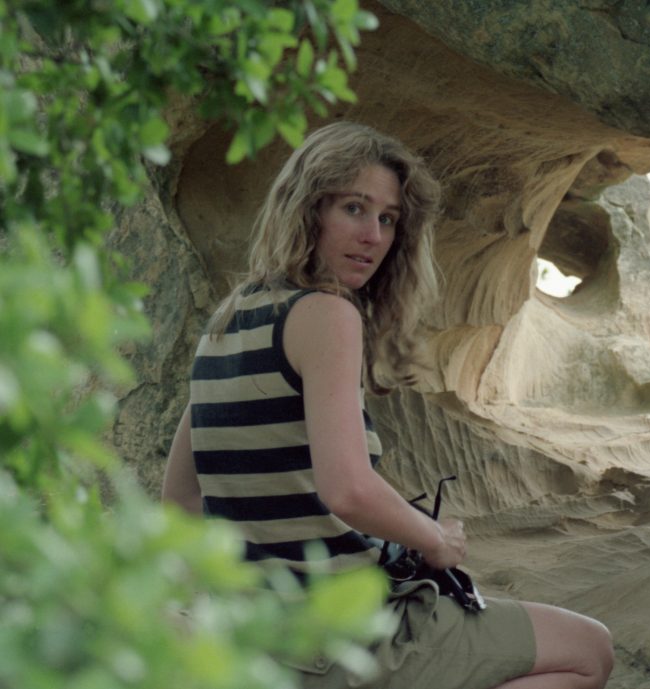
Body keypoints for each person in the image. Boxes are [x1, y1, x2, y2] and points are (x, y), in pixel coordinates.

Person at [161, 121, 613, 689]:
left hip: (257, 634)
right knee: (588, 651)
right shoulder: (327, 315)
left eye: (388, 218)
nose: (373, 235)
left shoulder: (226, 323)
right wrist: (434, 539)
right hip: (342, 638)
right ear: (307, 210)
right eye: (353, 208)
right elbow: (347, 489)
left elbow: (180, 497)